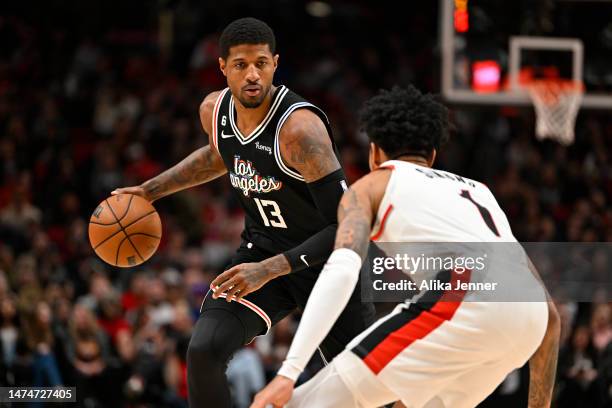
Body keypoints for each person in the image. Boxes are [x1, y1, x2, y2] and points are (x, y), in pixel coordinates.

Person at [112, 17, 374, 407]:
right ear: (222, 67)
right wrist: (150, 191)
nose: (252, 75)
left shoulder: (300, 131)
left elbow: (348, 225)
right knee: (203, 351)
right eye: (240, 65)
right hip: (263, 251)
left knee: (368, 389)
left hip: (327, 263)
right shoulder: (213, 112)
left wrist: (269, 269)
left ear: (275, 63)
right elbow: (220, 155)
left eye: (261, 64)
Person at [252, 86, 561, 408]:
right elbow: (551, 315)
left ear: (374, 153)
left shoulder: (372, 185)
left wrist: (289, 372)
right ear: (432, 157)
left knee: (295, 404)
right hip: (529, 318)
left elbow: (341, 271)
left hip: (467, 293)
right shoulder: (480, 193)